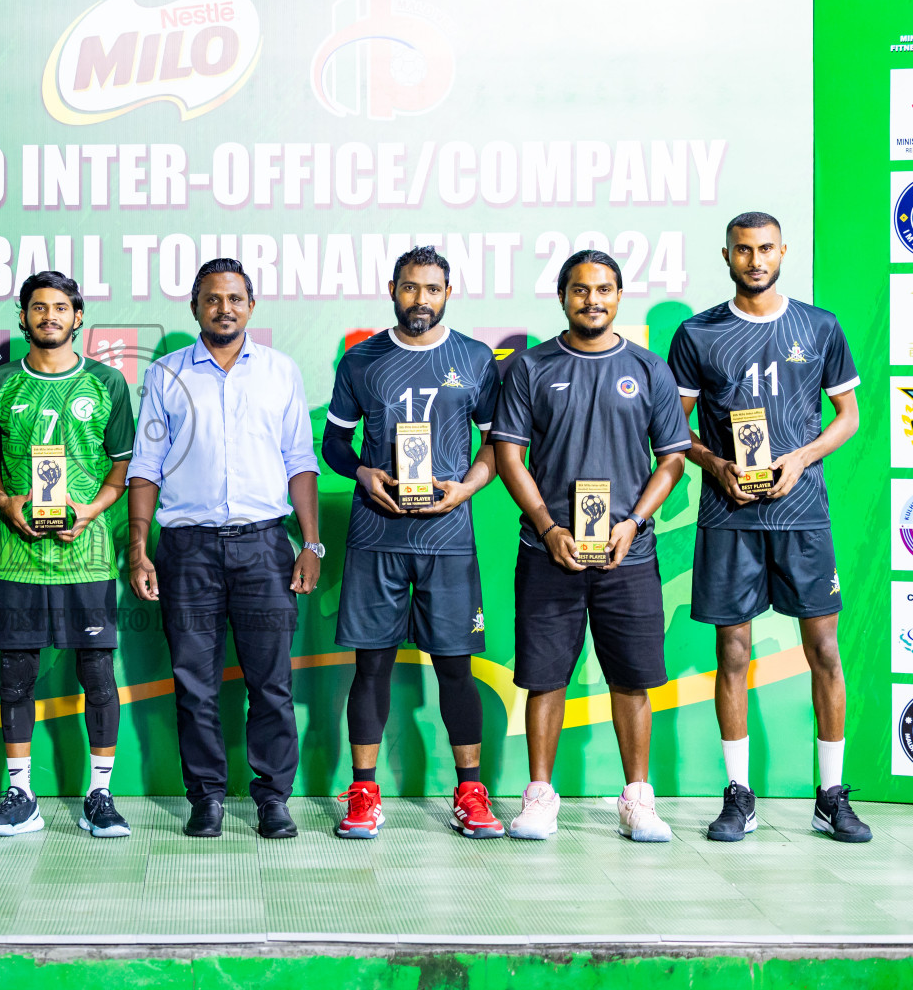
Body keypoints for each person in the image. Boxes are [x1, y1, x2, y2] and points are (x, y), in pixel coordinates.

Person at [668, 211, 867, 843]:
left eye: (765, 249)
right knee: (732, 653)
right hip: (730, 515)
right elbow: (674, 432)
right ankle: (738, 796)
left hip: (803, 513)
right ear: (725, 255)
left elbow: (848, 417)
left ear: (784, 251)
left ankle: (830, 795)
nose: (755, 260)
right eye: (743, 250)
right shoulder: (698, 334)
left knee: (825, 653)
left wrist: (803, 456)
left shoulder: (819, 326)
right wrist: (718, 464)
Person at [492, 249, 689, 843]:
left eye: (604, 289)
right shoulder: (530, 367)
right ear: (562, 297)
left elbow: (673, 460)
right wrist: (549, 527)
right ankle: (539, 796)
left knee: (632, 679)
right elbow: (508, 457)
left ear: (619, 297)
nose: (593, 299)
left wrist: (633, 521)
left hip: (629, 551)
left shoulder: (650, 369)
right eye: (581, 290)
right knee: (545, 677)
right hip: (547, 550)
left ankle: (637, 798)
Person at [127, 258, 322, 839]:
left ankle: (272, 799)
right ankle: (206, 797)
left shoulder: (281, 372)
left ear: (251, 306)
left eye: (235, 298)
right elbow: (146, 466)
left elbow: (300, 462)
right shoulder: (165, 375)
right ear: (195, 308)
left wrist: (310, 542)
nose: (224, 309)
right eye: (212, 299)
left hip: (265, 548)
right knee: (194, 682)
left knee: (271, 681)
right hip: (186, 551)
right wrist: (140, 548)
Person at [322, 246, 503, 839]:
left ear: (448, 292)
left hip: (448, 537)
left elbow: (495, 448)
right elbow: (336, 447)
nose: (420, 299)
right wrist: (363, 474)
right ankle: (364, 792)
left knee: (456, 667)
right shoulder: (362, 360)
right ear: (392, 289)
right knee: (370, 667)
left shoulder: (475, 358)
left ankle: (471, 793)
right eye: (410, 287)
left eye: (432, 288)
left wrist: (466, 489)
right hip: (377, 537)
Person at [0, 271, 135, 838]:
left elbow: (121, 469)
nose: (49, 317)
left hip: (86, 556)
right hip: (18, 556)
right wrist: (4, 501)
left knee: (98, 675)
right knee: (16, 676)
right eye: (37, 308)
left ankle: (100, 795)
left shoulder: (108, 384)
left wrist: (91, 511)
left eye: (60, 308)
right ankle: (21, 796)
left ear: (78, 317)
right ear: (22, 317)